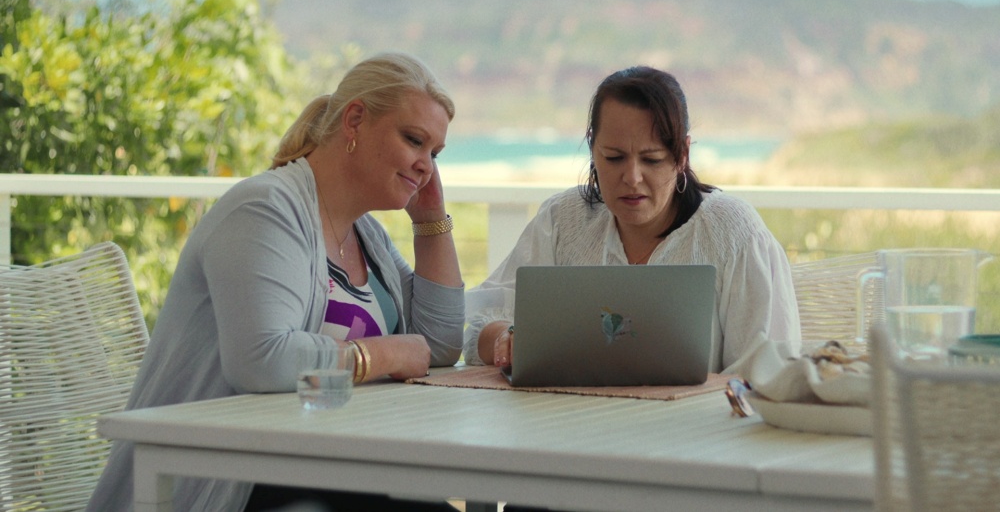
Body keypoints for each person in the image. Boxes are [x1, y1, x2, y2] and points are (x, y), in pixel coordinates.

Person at [87, 52, 465, 512]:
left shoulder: (367, 235)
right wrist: (380, 354)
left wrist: (430, 221)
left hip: (320, 467)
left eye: (435, 154)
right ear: (355, 120)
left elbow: (439, 345)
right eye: (414, 141)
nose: (426, 165)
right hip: (222, 481)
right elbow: (259, 359)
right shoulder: (264, 210)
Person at [464, 65, 800, 375]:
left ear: (682, 155)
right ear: (592, 150)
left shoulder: (734, 234)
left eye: (652, 160)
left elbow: (770, 372)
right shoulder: (562, 221)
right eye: (614, 158)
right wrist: (504, 339)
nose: (632, 177)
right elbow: (479, 324)